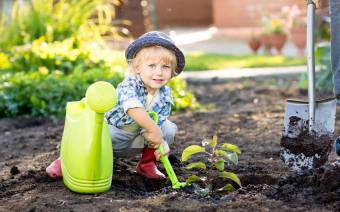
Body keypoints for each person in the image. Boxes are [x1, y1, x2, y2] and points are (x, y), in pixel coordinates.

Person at [46, 31, 185, 180]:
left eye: (165, 67)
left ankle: (147, 164)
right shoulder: (130, 85)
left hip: (136, 138)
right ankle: (66, 161)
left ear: (172, 71)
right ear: (137, 68)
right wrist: (154, 130)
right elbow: (133, 108)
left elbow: (156, 126)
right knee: (93, 134)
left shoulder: (165, 95)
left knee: (168, 128)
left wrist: (161, 140)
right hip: (113, 135)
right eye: (151, 65)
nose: (159, 72)